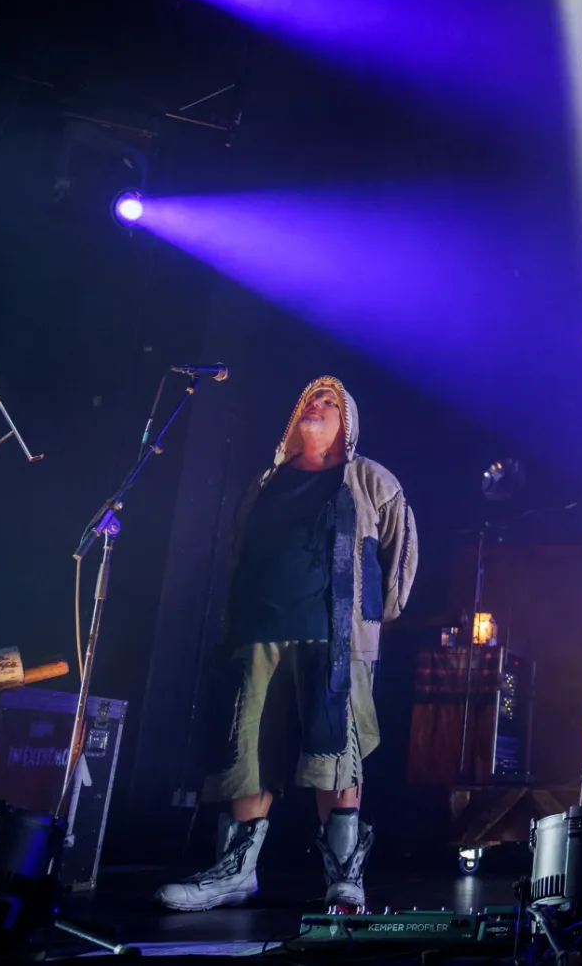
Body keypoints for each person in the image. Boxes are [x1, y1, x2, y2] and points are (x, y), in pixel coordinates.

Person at [157, 377, 417, 912]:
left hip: (334, 635)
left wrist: (372, 620)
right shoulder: (265, 482)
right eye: (309, 399)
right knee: (246, 751)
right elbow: (239, 554)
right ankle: (235, 873)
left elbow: (400, 553)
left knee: (335, 751)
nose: (315, 405)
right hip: (258, 634)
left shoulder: (369, 479)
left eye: (329, 402)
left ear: (348, 422)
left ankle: (344, 878)